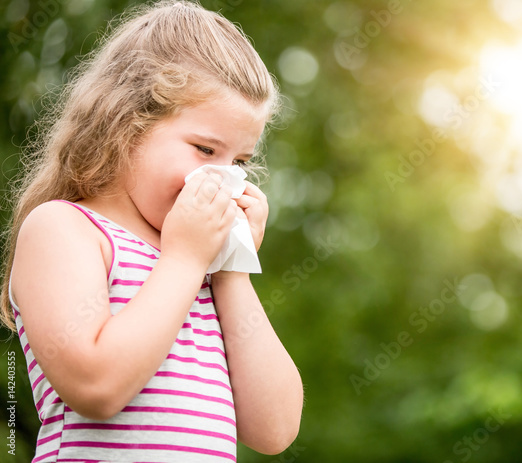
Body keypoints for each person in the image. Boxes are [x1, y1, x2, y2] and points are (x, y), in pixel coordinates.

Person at [0, 1, 303, 461]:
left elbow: (274, 428)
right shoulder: (65, 229)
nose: (225, 181)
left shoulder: (199, 266)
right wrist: (185, 259)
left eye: (240, 163)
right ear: (127, 124)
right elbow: (97, 386)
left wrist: (229, 268)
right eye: (205, 149)